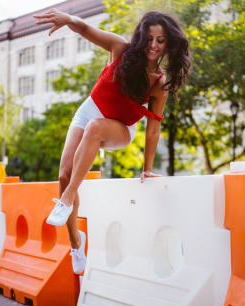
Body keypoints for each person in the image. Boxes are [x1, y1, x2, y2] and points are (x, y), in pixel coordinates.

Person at [34, 8, 191, 274]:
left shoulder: (159, 83)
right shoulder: (121, 49)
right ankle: (75, 243)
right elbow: (85, 30)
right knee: (63, 175)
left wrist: (147, 168)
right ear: (142, 37)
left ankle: (68, 198)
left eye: (160, 40)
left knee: (94, 132)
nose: (154, 45)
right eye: (150, 38)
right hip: (89, 110)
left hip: (121, 127)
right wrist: (70, 18)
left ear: (168, 44)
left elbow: (152, 130)